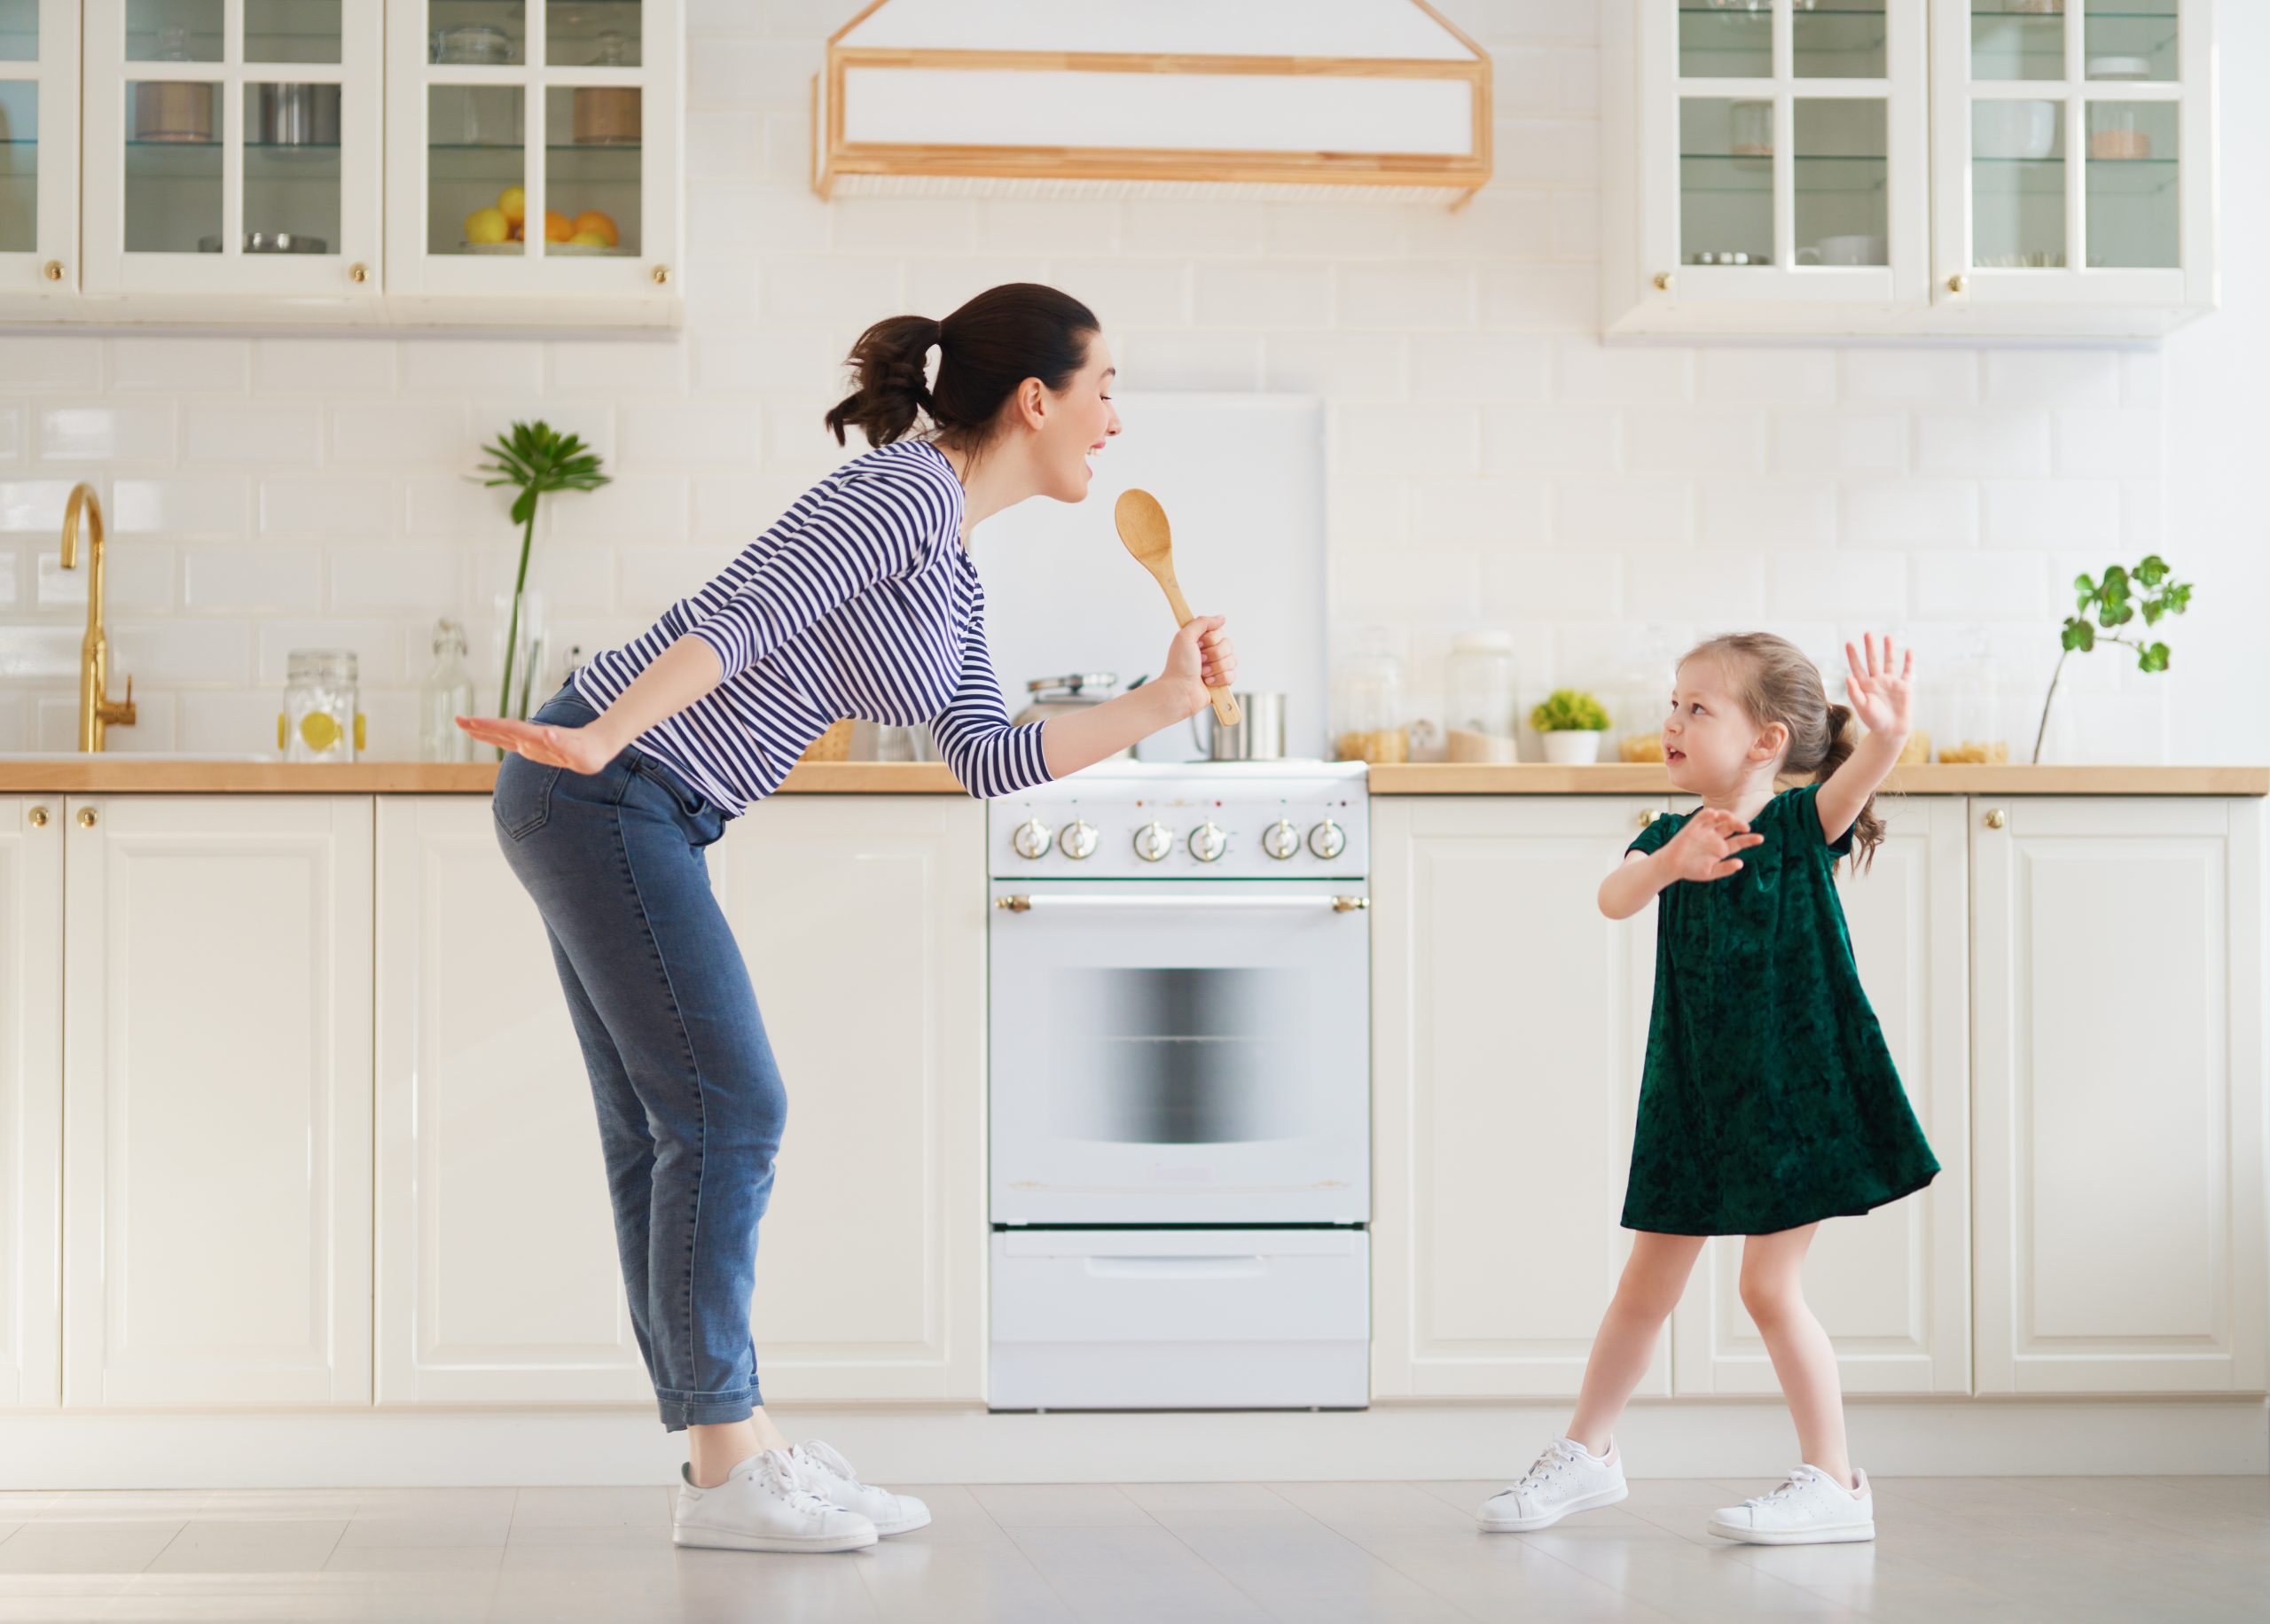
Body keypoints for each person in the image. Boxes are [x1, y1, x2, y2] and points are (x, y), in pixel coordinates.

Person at [458, 284, 1237, 1555]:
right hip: (605, 783)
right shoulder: (900, 493)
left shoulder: (952, 560)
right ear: (1035, 400)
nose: (1114, 421)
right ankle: (727, 1461)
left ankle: (735, 1449)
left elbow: (985, 754)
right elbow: (743, 617)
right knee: (729, 1110)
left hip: (636, 800)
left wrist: (1156, 704)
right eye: (1104, 391)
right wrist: (602, 735)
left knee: (674, 1124)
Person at [1477, 631, 1939, 1547]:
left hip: (1794, 1097)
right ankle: (1588, 1453)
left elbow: (1857, 784)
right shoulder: (1669, 836)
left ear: (1766, 741)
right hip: (1692, 1095)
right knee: (1643, 1286)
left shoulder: (1800, 825)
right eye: (1673, 704)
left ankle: (1835, 1482)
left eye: (1698, 708)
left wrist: (1888, 735)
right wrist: (1667, 863)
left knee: (1768, 1287)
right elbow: (1614, 896)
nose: (1673, 723)